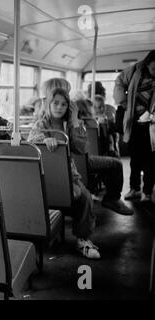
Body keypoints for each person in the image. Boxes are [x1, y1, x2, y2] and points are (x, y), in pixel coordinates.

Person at [28, 88, 100, 259]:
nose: (59, 107)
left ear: (69, 107)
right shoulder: (41, 124)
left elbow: (82, 149)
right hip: (45, 175)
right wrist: (44, 140)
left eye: (63, 104)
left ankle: (83, 239)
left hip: (69, 174)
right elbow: (31, 140)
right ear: (48, 104)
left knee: (85, 198)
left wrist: (75, 122)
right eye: (55, 103)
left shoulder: (70, 124)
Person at [43, 78, 133, 215]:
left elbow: (81, 146)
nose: (61, 105)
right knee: (115, 163)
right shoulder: (45, 120)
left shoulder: (70, 115)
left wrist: (75, 122)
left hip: (73, 161)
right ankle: (112, 198)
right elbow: (84, 150)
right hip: (72, 163)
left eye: (64, 101)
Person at [114, 50, 155, 202]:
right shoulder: (134, 71)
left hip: (151, 122)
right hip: (133, 119)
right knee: (135, 157)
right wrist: (123, 101)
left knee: (151, 159)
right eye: (153, 69)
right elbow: (119, 82)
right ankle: (134, 188)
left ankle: (148, 191)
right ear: (147, 64)